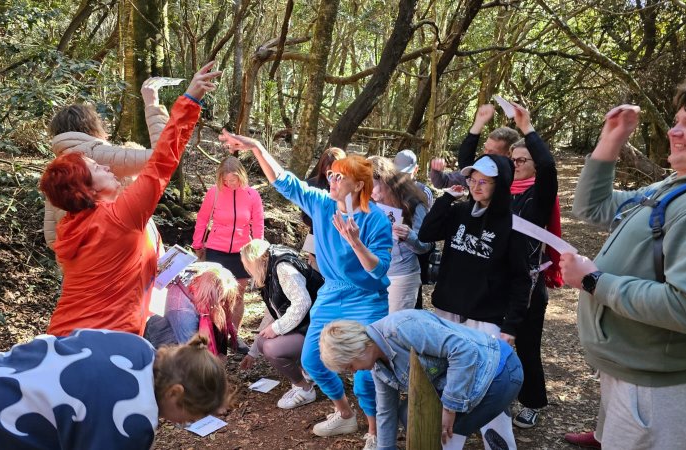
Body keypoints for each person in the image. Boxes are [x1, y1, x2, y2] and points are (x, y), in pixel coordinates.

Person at [219, 131, 393, 450]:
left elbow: (379, 270)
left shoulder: (377, 220)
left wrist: (355, 242)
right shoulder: (323, 204)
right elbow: (285, 182)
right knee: (312, 361)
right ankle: (344, 414)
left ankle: (374, 431)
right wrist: (257, 147)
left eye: (339, 177)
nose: (332, 180)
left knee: (366, 376)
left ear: (358, 185)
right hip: (332, 293)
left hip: (367, 299)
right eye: (331, 175)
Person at [38, 62, 221, 338]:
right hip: (108, 340)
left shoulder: (69, 227)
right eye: (97, 168)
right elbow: (162, 160)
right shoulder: (119, 216)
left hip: (63, 336)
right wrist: (190, 99)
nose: (106, 166)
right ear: (87, 191)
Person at [558, 77, 686, 449]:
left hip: (655, 393)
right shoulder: (671, 186)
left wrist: (594, 281)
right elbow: (592, 207)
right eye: (677, 121)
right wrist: (612, 138)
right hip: (630, 373)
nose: (674, 131)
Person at [0, 331, 230, 450]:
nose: (186, 424)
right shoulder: (132, 421)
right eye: (191, 415)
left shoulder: (136, 346)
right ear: (175, 393)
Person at [418, 154, 531, 450]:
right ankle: (449, 443)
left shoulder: (514, 225)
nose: (476, 186)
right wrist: (446, 198)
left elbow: (521, 280)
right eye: (473, 180)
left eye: (485, 182)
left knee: (489, 385)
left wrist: (511, 326)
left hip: (486, 316)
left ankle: (499, 443)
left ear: (500, 185)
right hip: (448, 311)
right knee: (449, 383)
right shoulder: (459, 211)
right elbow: (427, 234)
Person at [320, 311, 523, 450]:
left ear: (356, 349)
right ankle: (490, 416)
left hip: (498, 368)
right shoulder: (378, 364)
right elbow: (386, 411)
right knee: (408, 414)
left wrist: (450, 407)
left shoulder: (401, 328)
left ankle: (493, 418)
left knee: (441, 431)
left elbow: (464, 351)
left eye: (350, 366)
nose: (353, 372)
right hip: (466, 376)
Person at [42, 78, 170, 250]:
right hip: (124, 251)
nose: (104, 168)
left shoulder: (59, 169)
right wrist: (152, 103)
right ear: (91, 126)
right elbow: (162, 155)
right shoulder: (94, 153)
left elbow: (52, 236)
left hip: (85, 259)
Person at [505, 103, 562, 429]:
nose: (516, 165)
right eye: (512, 160)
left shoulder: (540, 194)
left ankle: (532, 402)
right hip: (498, 279)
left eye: (522, 160)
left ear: (535, 165)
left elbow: (550, 166)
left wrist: (527, 128)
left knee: (527, 345)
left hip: (528, 283)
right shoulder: (501, 191)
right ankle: (499, 395)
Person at [238, 239, 324, 409]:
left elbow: (303, 303)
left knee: (272, 348)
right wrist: (252, 353)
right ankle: (307, 373)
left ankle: (305, 389)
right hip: (306, 325)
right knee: (262, 341)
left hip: (319, 326)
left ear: (256, 260)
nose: (248, 271)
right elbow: (272, 314)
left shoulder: (283, 268)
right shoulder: (269, 271)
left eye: (248, 265)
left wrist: (277, 328)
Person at [191, 155, 264, 350]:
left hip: (241, 252)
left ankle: (235, 336)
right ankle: (216, 336)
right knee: (217, 297)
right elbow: (202, 219)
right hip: (216, 251)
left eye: (234, 179)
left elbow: (258, 224)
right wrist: (197, 243)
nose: (230, 183)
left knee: (238, 296)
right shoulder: (214, 193)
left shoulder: (252, 195)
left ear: (241, 175)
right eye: (226, 180)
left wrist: (258, 250)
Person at [368, 156, 434, 312]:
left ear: (385, 180)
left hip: (401, 276)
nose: (368, 191)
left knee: (393, 325)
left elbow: (426, 245)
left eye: (371, 185)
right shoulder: (368, 202)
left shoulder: (412, 203)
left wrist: (409, 236)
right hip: (372, 273)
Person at [142, 263, 239, 358]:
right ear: (208, 295)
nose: (223, 303)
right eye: (220, 300)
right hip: (164, 347)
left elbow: (221, 331)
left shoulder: (216, 273)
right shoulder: (182, 310)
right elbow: (190, 353)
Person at [429, 104, 519, 189]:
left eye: (492, 152)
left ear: (509, 154)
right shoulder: (479, 170)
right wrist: (436, 170)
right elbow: (443, 182)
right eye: (485, 149)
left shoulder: (517, 179)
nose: (486, 154)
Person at [303, 147, 347, 271]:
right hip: (316, 237)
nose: (331, 176)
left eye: (336, 171)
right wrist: (324, 218)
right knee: (315, 273)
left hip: (340, 240)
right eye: (327, 171)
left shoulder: (350, 188)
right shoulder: (311, 185)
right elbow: (305, 217)